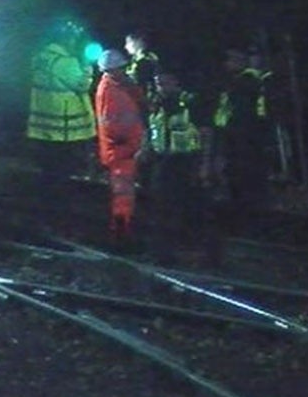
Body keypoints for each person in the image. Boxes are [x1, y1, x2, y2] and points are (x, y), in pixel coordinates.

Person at [146, 72, 217, 260]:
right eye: (157, 83)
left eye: (164, 82)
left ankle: (196, 249)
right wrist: (144, 150)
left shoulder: (191, 103)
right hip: (163, 160)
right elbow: (152, 128)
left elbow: (206, 134)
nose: (160, 87)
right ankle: (164, 251)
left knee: (190, 207)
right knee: (162, 207)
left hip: (187, 161)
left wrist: (204, 165)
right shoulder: (156, 103)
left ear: (176, 82)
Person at [26, 19, 97, 183]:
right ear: (66, 39)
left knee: (47, 168)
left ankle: (48, 199)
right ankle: (60, 200)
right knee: (61, 168)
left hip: (43, 122)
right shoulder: (65, 62)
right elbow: (82, 85)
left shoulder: (40, 57)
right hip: (63, 127)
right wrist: (87, 67)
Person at [212, 47, 272, 222]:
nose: (227, 64)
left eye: (231, 60)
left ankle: (249, 215)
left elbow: (241, 112)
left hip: (244, 138)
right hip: (239, 137)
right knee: (238, 177)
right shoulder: (240, 81)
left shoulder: (247, 81)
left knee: (244, 177)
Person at [94, 48, 146, 245]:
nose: (124, 71)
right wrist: (129, 145)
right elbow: (112, 123)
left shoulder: (117, 86)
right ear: (111, 70)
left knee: (125, 196)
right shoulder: (109, 90)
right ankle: (120, 237)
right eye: (120, 68)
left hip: (126, 149)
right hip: (121, 151)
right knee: (122, 197)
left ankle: (123, 233)